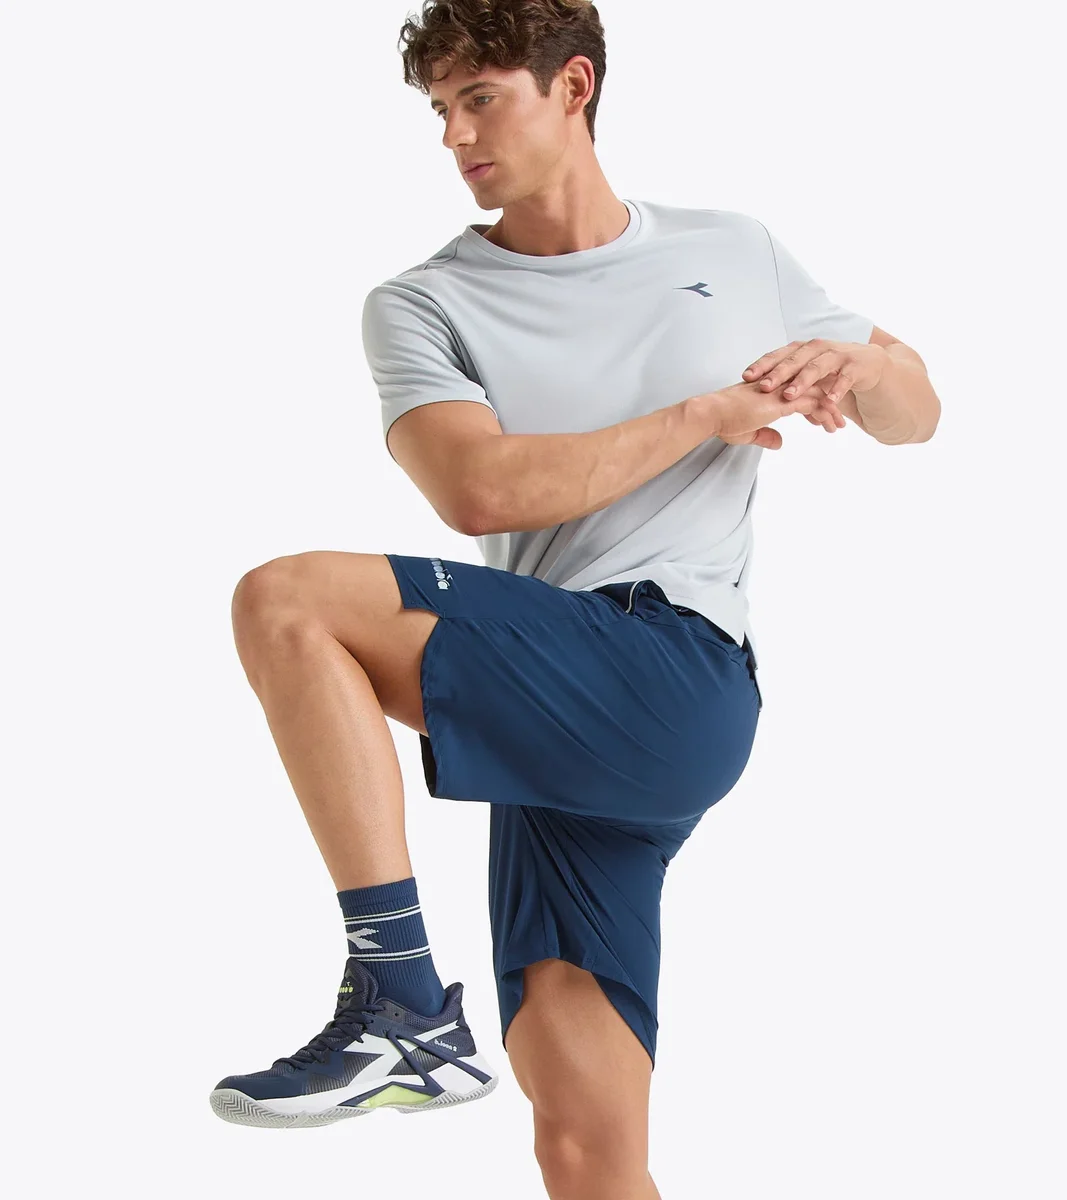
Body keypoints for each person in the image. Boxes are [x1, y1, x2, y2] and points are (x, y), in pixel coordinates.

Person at [209, 1, 939, 1195]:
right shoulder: (423, 301)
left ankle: (396, 997)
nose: (454, 135)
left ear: (573, 86)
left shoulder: (732, 248)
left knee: (288, 600)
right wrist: (702, 414)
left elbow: (915, 414)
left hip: (670, 670)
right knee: (582, 1148)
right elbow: (477, 490)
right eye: (439, 110)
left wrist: (866, 367)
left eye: (479, 98)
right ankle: (412, 1023)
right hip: (552, 722)